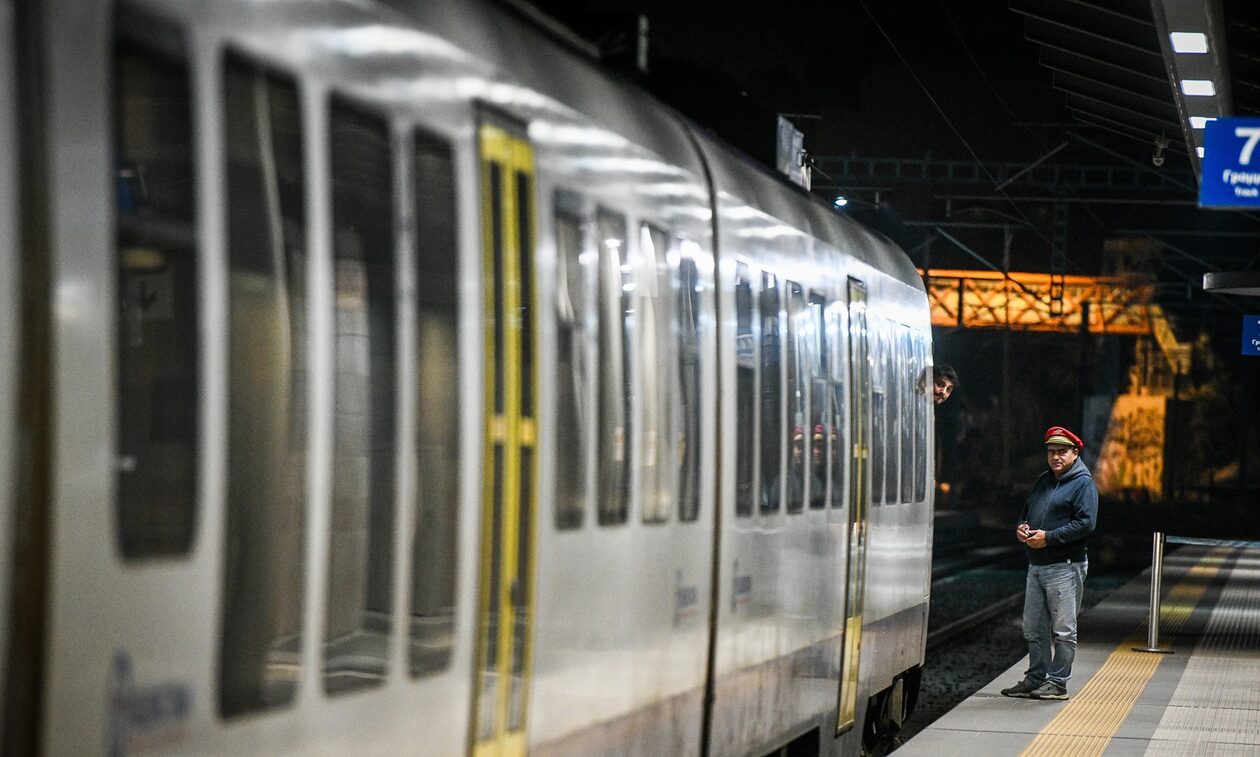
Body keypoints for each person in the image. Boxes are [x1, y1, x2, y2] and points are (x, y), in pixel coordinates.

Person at [1000, 425, 1098, 701]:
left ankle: (1058, 682)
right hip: (1037, 565)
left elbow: (1086, 524)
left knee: (1063, 629)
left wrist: (1049, 538)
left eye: (1062, 452)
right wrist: (1022, 527)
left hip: (1065, 565)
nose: (1055, 457)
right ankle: (1035, 678)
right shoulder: (1044, 480)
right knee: (1033, 627)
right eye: (1051, 452)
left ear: (1075, 453)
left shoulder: (1083, 484)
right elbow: (1026, 512)